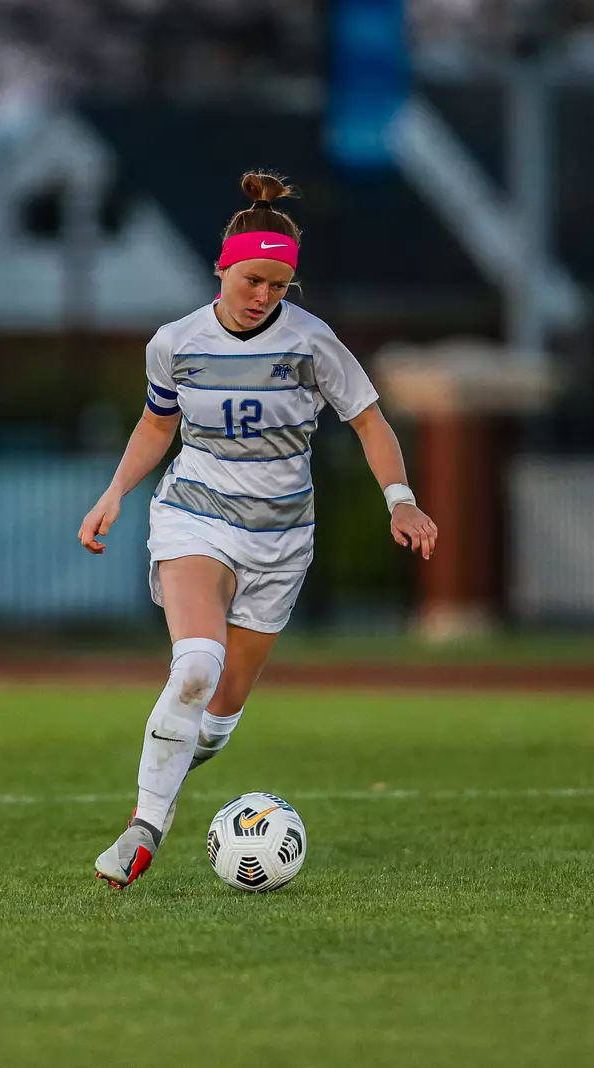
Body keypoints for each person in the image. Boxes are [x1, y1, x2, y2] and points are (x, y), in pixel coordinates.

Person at [77, 171, 438, 889]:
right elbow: (157, 423)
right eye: (252, 280)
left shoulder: (312, 343)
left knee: (220, 710)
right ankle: (143, 827)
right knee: (196, 666)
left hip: (281, 540)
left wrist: (400, 497)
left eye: (278, 284)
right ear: (222, 268)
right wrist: (116, 491)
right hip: (195, 517)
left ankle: (169, 780)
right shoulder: (174, 342)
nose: (263, 295)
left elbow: (368, 420)